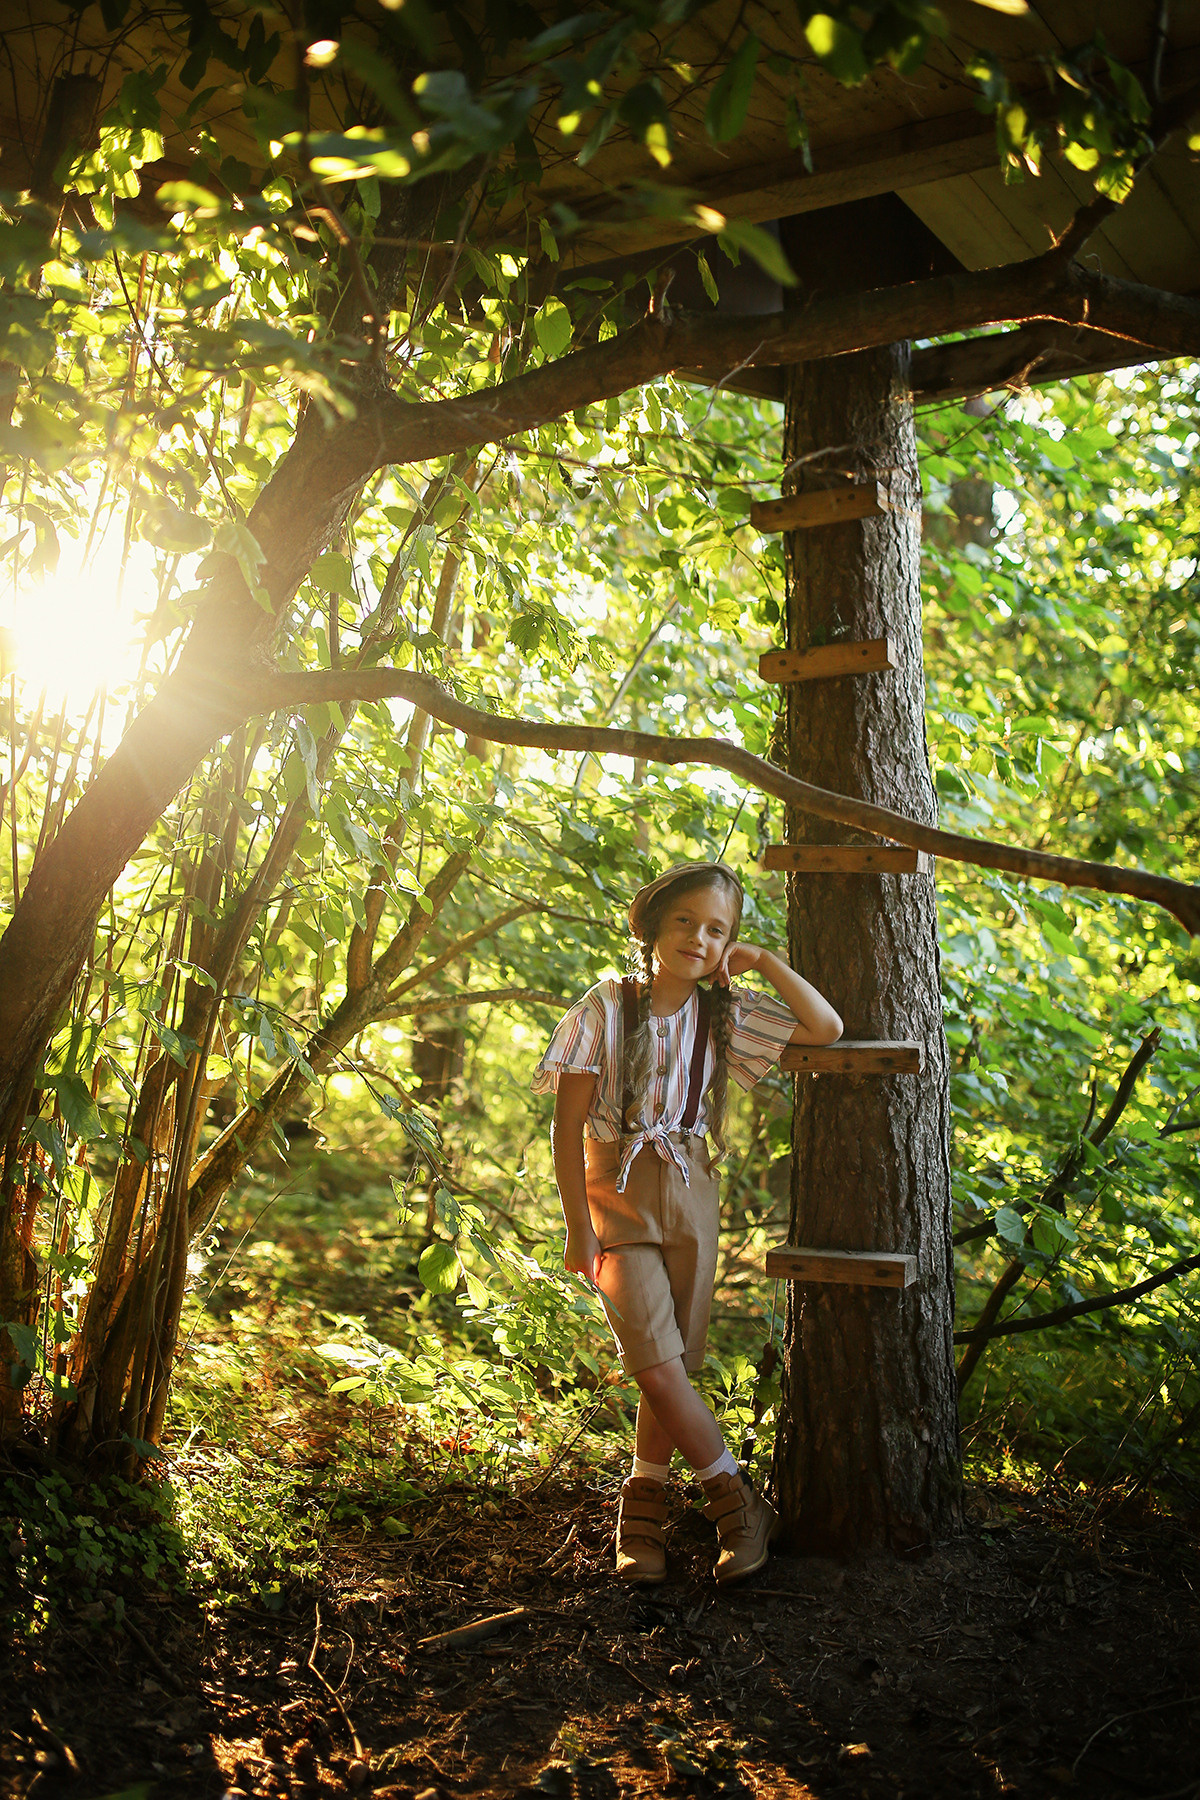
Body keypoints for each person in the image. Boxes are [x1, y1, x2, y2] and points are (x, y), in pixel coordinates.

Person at [531, 860, 842, 1585]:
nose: (699, 939)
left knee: (668, 1366)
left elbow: (824, 1028)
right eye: (685, 921)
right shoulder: (605, 1007)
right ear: (652, 925)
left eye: (718, 930)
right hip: (617, 1188)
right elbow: (567, 1126)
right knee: (656, 1362)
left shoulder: (723, 1014)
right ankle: (735, 1504)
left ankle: (645, 1515)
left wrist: (760, 959)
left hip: (693, 1187)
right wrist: (579, 1227)